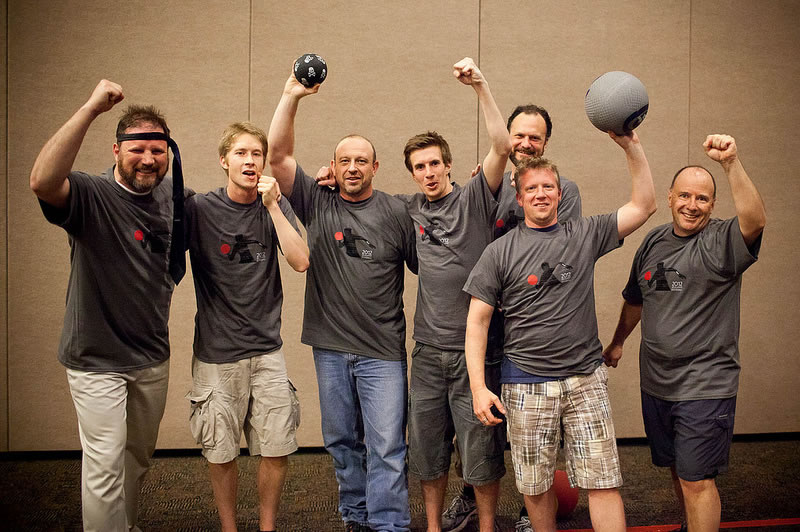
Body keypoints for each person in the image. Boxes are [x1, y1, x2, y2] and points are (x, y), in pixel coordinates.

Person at [463, 129, 657, 532]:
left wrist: (630, 146)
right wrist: (480, 388)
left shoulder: (584, 234)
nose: (540, 194)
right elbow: (477, 321)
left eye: (548, 186)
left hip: (585, 380)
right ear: (519, 198)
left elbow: (644, 205)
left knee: (603, 482)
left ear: (559, 194)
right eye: (531, 188)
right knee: (534, 488)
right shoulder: (499, 251)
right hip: (526, 386)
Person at [29, 79, 186, 532]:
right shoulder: (90, 194)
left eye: (158, 150)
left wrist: (323, 188)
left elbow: (233, 207)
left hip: (151, 356)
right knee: (103, 468)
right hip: (96, 357)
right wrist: (91, 107)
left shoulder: (174, 200)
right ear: (116, 151)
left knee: (135, 461)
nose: (148, 159)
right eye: (137, 149)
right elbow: (41, 180)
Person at [267, 67, 418, 532]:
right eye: (345, 160)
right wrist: (292, 95)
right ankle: (356, 518)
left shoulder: (397, 211)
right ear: (333, 166)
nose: (353, 168)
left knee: (387, 445)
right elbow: (276, 155)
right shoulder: (318, 200)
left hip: (382, 352)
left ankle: (389, 525)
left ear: (375, 167)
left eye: (362, 161)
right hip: (330, 347)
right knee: (341, 442)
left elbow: (431, 270)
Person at [603, 134, 765, 532]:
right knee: (677, 467)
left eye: (703, 199)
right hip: (657, 382)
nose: (692, 206)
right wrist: (619, 340)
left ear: (713, 205)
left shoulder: (722, 240)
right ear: (671, 197)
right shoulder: (654, 240)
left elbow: (755, 219)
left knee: (697, 478)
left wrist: (730, 164)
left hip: (705, 383)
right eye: (685, 196)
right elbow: (636, 298)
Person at [443, 103, 583, 532]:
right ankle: (470, 494)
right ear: (506, 138)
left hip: (532, 328)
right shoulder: (484, 183)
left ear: (545, 143)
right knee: (474, 418)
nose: (525, 144)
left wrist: (520, 291)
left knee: (537, 426)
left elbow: (562, 256)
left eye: (534, 137)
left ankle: (530, 509)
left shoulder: (563, 189)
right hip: (487, 323)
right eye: (518, 136)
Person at [394, 58, 510, 532]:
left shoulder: (475, 198)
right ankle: (434, 526)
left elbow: (502, 145)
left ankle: (485, 527)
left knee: (481, 449)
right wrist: (330, 176)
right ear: (413, 173)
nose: (428, 172)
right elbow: (355, 193)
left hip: (475, 354)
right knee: (426, 450)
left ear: (449, 164)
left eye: (435, 163)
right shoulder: (409, 209)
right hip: (426, 351)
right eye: (419, 167)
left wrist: (481, 85)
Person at [184, 122, 309, 532]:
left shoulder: (275, 203)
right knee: (221, 451)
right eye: (240, 153)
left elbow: (300, 260)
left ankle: (267, 526)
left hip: (267, 350)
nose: (249, 161)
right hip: (218, 355)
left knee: (276, 446)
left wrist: (273, 206)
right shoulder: (199, 208)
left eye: (256, 154)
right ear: (224, 161)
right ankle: (229, 526)